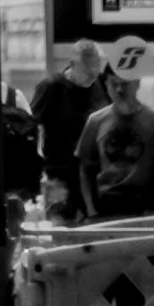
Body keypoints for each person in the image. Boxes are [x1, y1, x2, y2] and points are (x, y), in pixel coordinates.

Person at [75, 54, 154, 220]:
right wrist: (91, 210)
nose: (119, 90)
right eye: (114, 84)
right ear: (107, 86)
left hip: (144, 205)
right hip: (106, 204)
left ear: (137, 83)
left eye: (124, 84)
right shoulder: (96, 121)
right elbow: (85, 169)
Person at [31, 41, 108, 220]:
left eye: (96, 70)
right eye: (88, 71)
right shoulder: (52, 87)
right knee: (61, 229)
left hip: (92, 177)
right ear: (72, 65)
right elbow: (32, 127)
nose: (93, 75)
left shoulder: (99, 87)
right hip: (59, 175)